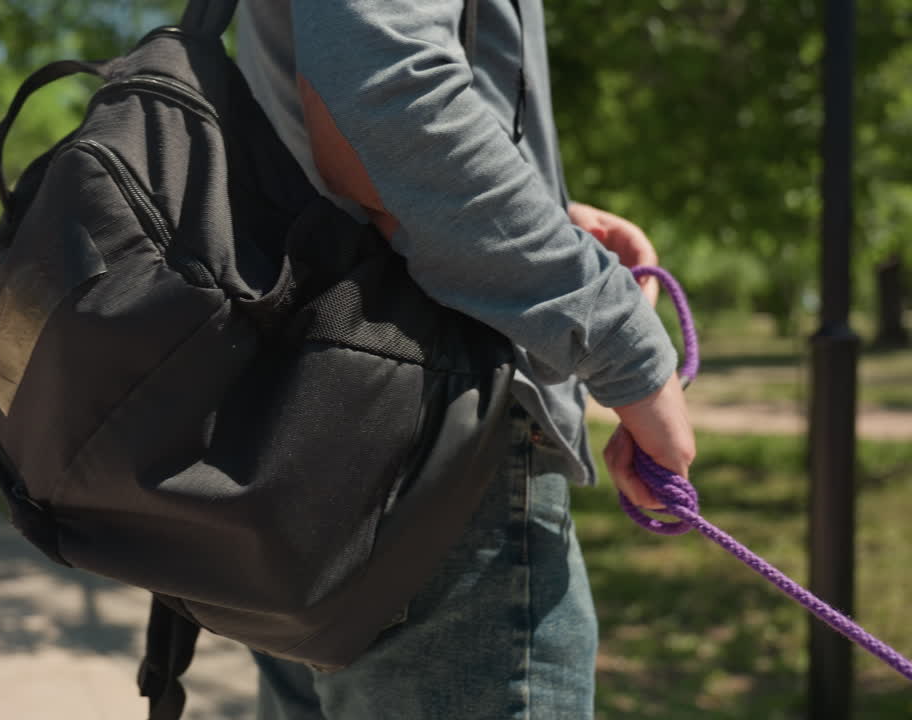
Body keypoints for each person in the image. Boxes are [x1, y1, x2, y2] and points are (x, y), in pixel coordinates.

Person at [235, 1, 696, 717]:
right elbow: (383, 96)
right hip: (444, 447)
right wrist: (623, 343)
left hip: (304, 433)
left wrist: (537, 213)